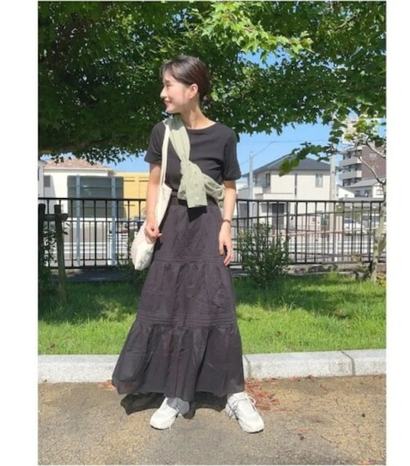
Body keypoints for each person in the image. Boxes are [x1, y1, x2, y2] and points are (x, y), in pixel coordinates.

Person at [111, 55, 264, 433]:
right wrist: (150, 217)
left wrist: (226, 226)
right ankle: (176, 394)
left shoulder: (224, 135)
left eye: (168, 85)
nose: (163, 93)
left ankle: (234, 393)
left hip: (209, 225)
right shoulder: (162, 132)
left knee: (217, 306)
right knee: (169, 306)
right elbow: (154, 180)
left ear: (192, 89)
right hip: (172, 228)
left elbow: (230, 187)